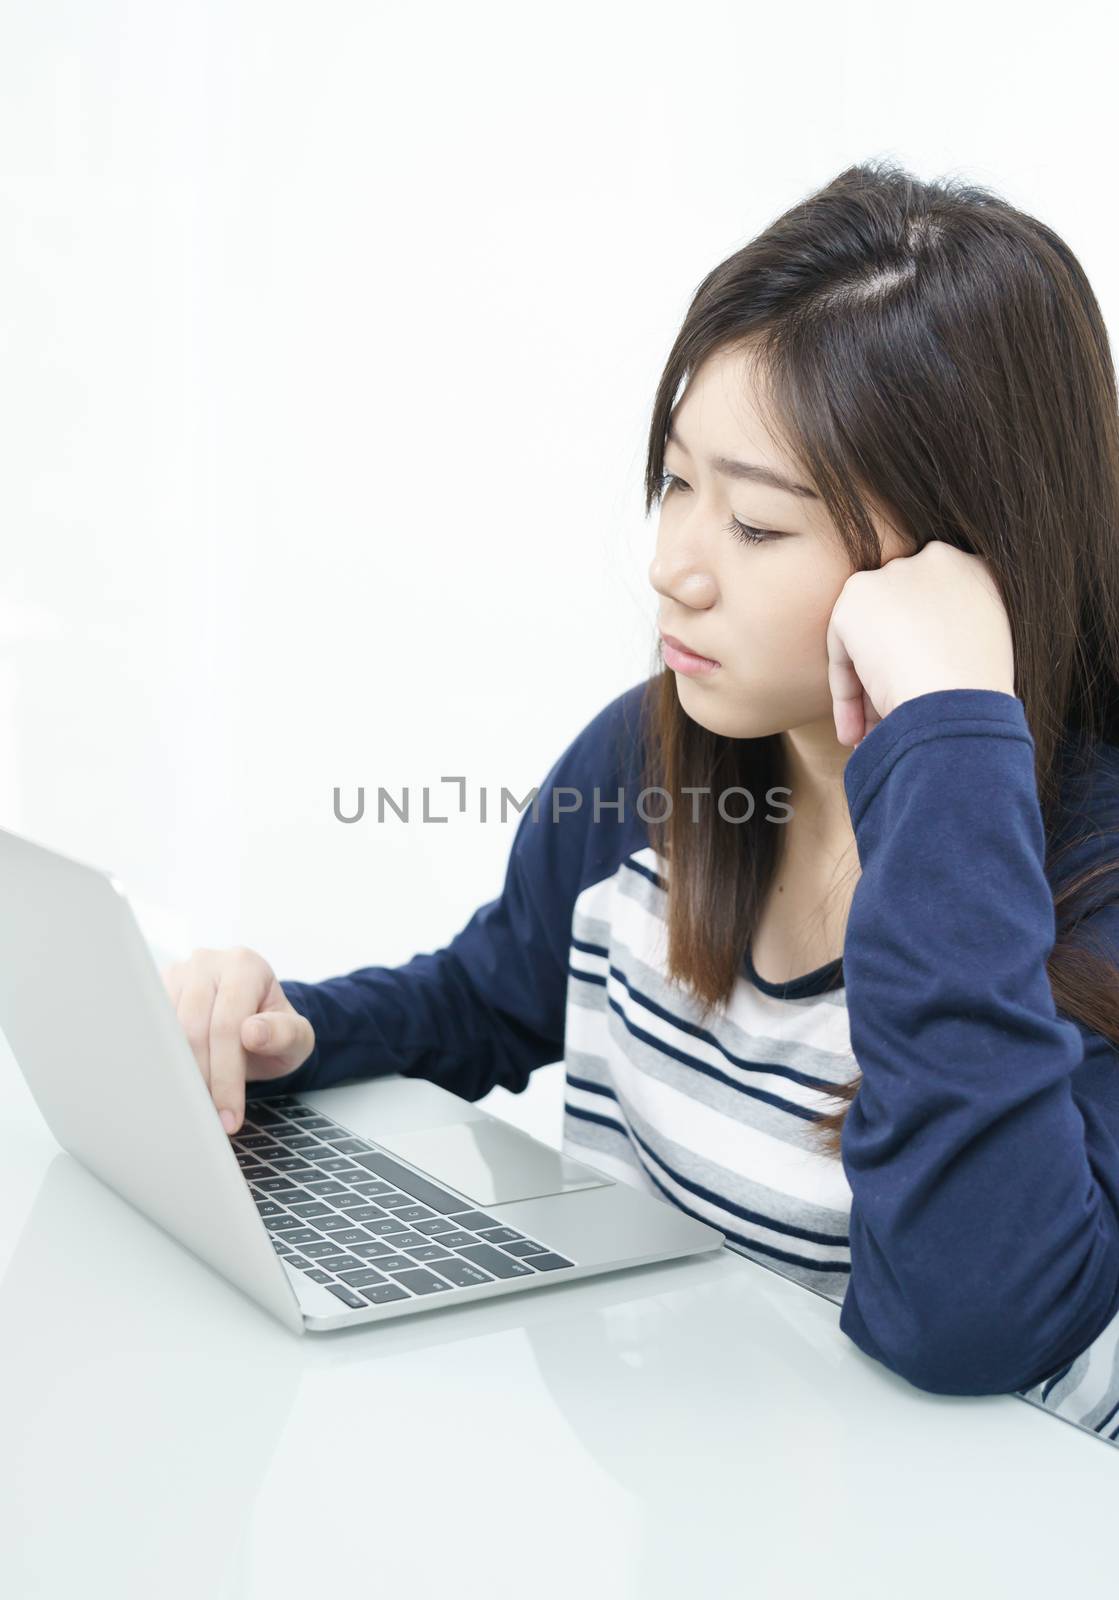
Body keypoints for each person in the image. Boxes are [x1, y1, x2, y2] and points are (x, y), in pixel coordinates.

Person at [163, 159, 1119, 1422]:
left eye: (758, 527)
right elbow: (486, 998)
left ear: (959, 560)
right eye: (676, 484)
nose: (674, 568)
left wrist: (948, 740)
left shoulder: (1079, 884)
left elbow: (964, 1318)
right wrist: (290, 1031)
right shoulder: (654, 757)